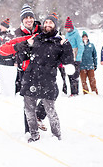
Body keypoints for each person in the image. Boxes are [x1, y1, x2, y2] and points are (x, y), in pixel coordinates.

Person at [14, 13, 74, 142]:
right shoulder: (36, 39)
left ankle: (57, 136)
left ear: (54, 26)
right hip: (31, 78)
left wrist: (67, 45)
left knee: (50, 110)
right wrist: (26, 44)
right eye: (45, 23)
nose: (47, 25)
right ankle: (34, 135)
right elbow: (23, 56)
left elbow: (68, 60)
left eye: (50, 23)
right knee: (29, 110)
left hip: (48, 79)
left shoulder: (59, 42)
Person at [0, 4, 47, 132]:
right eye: (25, 18)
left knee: (49, 95)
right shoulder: (16, 34)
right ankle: (30, 131)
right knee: (29, 102)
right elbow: (2, 50)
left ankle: (39, 116)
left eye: (30, 17)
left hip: (42, 69)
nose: (28, 20)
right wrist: (22, 45)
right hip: (26, 71)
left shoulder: (42, 30)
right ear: (22, 20)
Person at [0, 18, 16, 96]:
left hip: (10, 60)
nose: (1, 27)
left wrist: (16, 61)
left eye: (2, 26)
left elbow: (15, 48)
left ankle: (11, 94)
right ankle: (3, 94)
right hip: (1, 60)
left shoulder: (11, 36)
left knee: (10, 79)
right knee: (2, 79)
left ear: (5, 27)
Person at [64, 17, 84, 97]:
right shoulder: (67, 35)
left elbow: (81, 46)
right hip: (69, 57)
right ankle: (72, 91)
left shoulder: (76, 34)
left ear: (71, 27)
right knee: (70, 74)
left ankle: (75, 92)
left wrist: (78, 58)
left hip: (75, 57)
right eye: (66, 28)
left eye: (68, 28)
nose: (67, 29)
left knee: (75, 75)